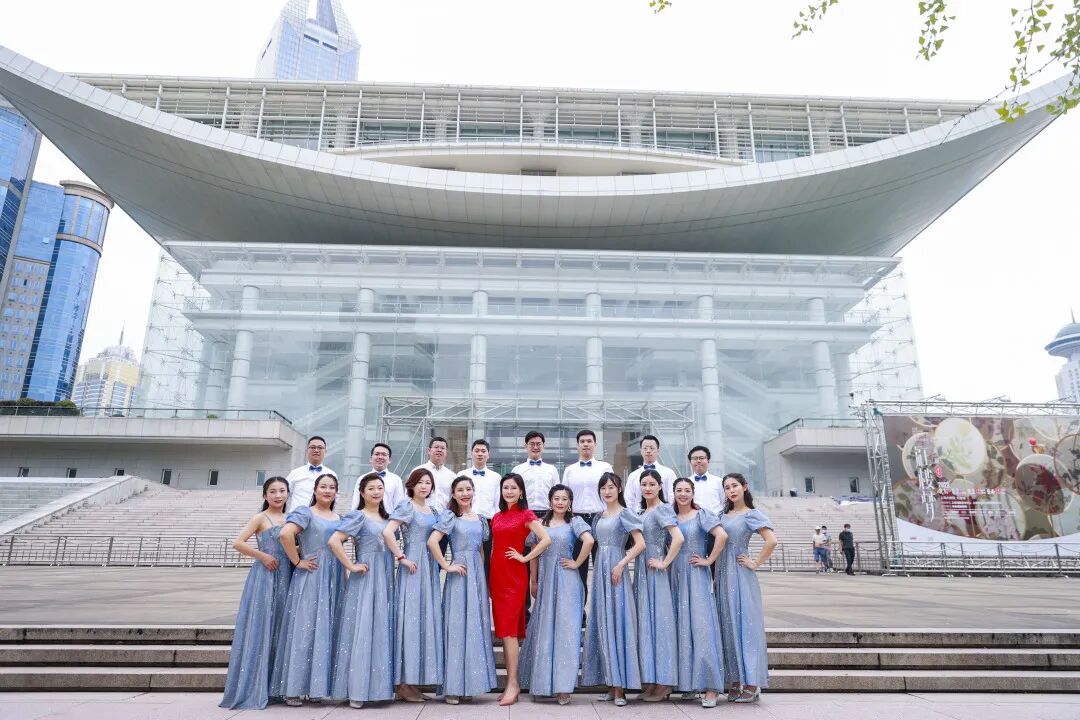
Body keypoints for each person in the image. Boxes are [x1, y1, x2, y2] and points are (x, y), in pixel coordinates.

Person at [271, 473, 345, 705]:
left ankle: (315, 688)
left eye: (331, 487)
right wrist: (297, 561)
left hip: (334, 576)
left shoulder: (339, 517)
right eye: (323, 486)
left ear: (336, 492)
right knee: (305, 627)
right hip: (312, 575)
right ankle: (293, 689)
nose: (327, 490)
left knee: (324, 628)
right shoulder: (305, 512)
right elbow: (285, 534)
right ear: (315, 490)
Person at [219, 476, 293, 710]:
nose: (278, 495)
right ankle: (255, 687)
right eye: (273, 491)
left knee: (281, 628)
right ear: (265, 495)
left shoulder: (291, 518)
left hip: (287, 575)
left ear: (288, 494)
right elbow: (238, 542)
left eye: (282, 491)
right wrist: (263, 556)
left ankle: (277, 687)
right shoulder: (260, 518)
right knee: (263, 627)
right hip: (265, 576)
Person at [519, 484, 594, 705]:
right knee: (544, 630)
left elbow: (589, 541)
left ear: (570, 502)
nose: (560, 502)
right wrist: (533, 581)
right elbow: (534, 553)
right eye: (556, 498)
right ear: (550, 501)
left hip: (567, 580)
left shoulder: (575, 522)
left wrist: (577, 562)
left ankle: (563, 688)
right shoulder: (540, 523)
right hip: (545, 581)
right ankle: (543, 684)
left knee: (565, 632)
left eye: (564, 499)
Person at [427, 476, 497, 704]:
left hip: (476, 576)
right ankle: (453, 687)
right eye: (460, 490)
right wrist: (447, 565)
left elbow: (482, 551)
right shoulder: (450, 517)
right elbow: (432, 542)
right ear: (453, 495)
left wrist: (482, 577)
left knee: (475, 626)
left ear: (473, 492)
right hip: (459, 574)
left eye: (468, 489)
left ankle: (471, 684)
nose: (465, 493)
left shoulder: (480, 519)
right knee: (457, 626)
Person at [328, 473, 394, 708]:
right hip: (366, 576)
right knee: (362, 627)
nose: (376, 492)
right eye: (371, 488)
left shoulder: (387, 518)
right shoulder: (358, 516)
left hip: (385, 575)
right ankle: (356, 689)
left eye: (380, 488)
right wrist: (350, 565)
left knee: (379, 627)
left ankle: (377, 688)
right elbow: (334, 541)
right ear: (362, 493)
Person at [581, 471, 646, 707]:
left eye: (611, 487)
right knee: (604, 622)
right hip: (600, 569)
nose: (607, 491)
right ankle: (611, 684)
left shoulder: (625, 513)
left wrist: (621, 563)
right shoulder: (599, 516)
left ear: (619, 489)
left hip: (616, 570)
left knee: (618, 622)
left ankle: (620, 688)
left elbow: (640, 544)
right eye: (603, 487)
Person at [489, 473, 552, 706]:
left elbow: (545, 539)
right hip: (497, 575)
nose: (509, 491)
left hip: (515, 577)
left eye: (513, 488)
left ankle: (514, 684)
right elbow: (495, 547)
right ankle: (510, 683)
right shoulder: (497, 516)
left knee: (510, 632)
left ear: (521, 491)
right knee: (504, 631)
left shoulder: (526, 515)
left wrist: (525, 557)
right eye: (505, 487)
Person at [381, 468, 442, 702]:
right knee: (410, 619)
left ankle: (412, 681)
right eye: (420, 482)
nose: (424, 486)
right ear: (411, 485)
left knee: (422, 619)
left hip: (428, 567)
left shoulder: (433, 510)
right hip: (413, 566)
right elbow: (388, 532)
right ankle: (402, 683)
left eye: (428, 482)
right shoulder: (407, 506)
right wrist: (401, 557)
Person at [716, 472, 778, 704]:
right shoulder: (722, 515)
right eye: (727, 487)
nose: (731, 490)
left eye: (734, 486)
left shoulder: (752, 514)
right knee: (727, 625)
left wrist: (755, 563)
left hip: (741, 575)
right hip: (722, 575)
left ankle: (751, 684)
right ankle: (733, 681)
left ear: (744, 487)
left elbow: (771, 540)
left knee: (746, 626)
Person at [669, 477, 728, 708]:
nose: (683, 494)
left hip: (696, 573)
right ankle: (690, 684)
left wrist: (709, 560)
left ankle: (711, 687)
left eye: (687, 490)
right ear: (673, 493)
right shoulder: (671, 517)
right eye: (679, 490)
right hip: (676, 574)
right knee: (682, 626)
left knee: (702, 626)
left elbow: (722, 535)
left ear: (693, 493)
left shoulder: (702, 514)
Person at [635, 469, 684, 702]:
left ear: (660, 486)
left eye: (652, 484)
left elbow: (678, 538)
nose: (647, 488)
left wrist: (664, 562)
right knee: (647, 624)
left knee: (660, 624)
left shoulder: (663, 509)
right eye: (644, 484)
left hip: (655, 573)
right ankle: (652, 681)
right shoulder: (642, 512)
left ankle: (664, 683)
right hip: (642, 572)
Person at [561, 429, 613, 590]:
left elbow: (613, 492)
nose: (586, 444)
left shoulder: (605, 467)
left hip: (601, 518)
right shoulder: (570, 470)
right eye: (582, 441)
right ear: (577, 445)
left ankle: (603, 604)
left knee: (602, 564)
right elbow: (564, 496)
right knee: (578, 567)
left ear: (595, 444)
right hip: (577, 520)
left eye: (589, 441)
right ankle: (579, 606)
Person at [624, 435, 678, 513]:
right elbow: (628, 499)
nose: (648, 451)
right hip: (639, 516)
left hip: (663, 514)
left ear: (658, 451)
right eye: (645, 448)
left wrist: (668, 514)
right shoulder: (633, 475)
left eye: (652, 448)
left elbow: (672, 497)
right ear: (641, 451)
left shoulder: (668, 473)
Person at [511, 430, 560, 515]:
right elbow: (512, 494)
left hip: (547, 514)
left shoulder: (552, 470)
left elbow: (557, 494)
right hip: (523, 513)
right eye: (532, 444)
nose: (535, 447)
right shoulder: (517, 470)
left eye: (538, 444)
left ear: (543, 446)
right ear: (525, 446)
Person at [285, 436, 335, 512]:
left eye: (320, 447)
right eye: (313, 447)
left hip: (321, 516)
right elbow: (285, 496)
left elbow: (335, 499)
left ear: (325, 451)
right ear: (307, 451)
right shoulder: (295, 473)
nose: (316, 450)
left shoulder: (332, 475)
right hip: (297, 517)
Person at [352, 442, 405, 514]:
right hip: (366, 519)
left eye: (384, 454)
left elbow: (399, 506)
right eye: (377, 454)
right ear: (371, 459)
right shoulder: (361, 479)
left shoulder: (396, 480)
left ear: (389, 460)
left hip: (389, 519)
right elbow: (356, 503)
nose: (380, 457)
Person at [412, 437, 456, 511]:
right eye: (436, 447)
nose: (439, 450)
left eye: (442, 448)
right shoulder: (417, 471)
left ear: (446, 453)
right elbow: (408, 495)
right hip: (421, 514)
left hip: (444, 516)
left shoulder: (452, 476)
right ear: (429, 451)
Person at [466, 438, 500, 519]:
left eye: (483, 451)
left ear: (488, 455)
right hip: (466, 519)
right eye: (477, 451)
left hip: (489, 520)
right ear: (471, 454)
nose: (480, 454)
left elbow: (498, 503)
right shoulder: (462, 475)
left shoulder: (496, 477)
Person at [686, 445, 724, 515]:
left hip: (715, 520)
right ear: (690, 462)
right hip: (693, 519)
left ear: (708, 460)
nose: (698, 461)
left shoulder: (719, 481)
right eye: (695, 458)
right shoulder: (686, 483)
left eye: (701, 458)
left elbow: (724, 503)